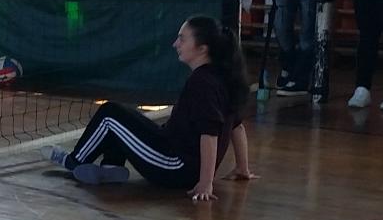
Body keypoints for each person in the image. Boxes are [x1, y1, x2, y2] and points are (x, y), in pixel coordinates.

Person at [47, 16, 256, 201]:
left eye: (182, 39)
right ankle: (111, 167)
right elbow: (236, 126)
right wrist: (242, 168)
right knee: (123, 114)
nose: (175, 44)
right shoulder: (222, 76)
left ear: (202, 49)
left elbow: (209, 134)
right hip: (175, 155)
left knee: (109, 115)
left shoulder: (203, 82)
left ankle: (74, 161)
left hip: (174, 166)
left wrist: (205, 183)